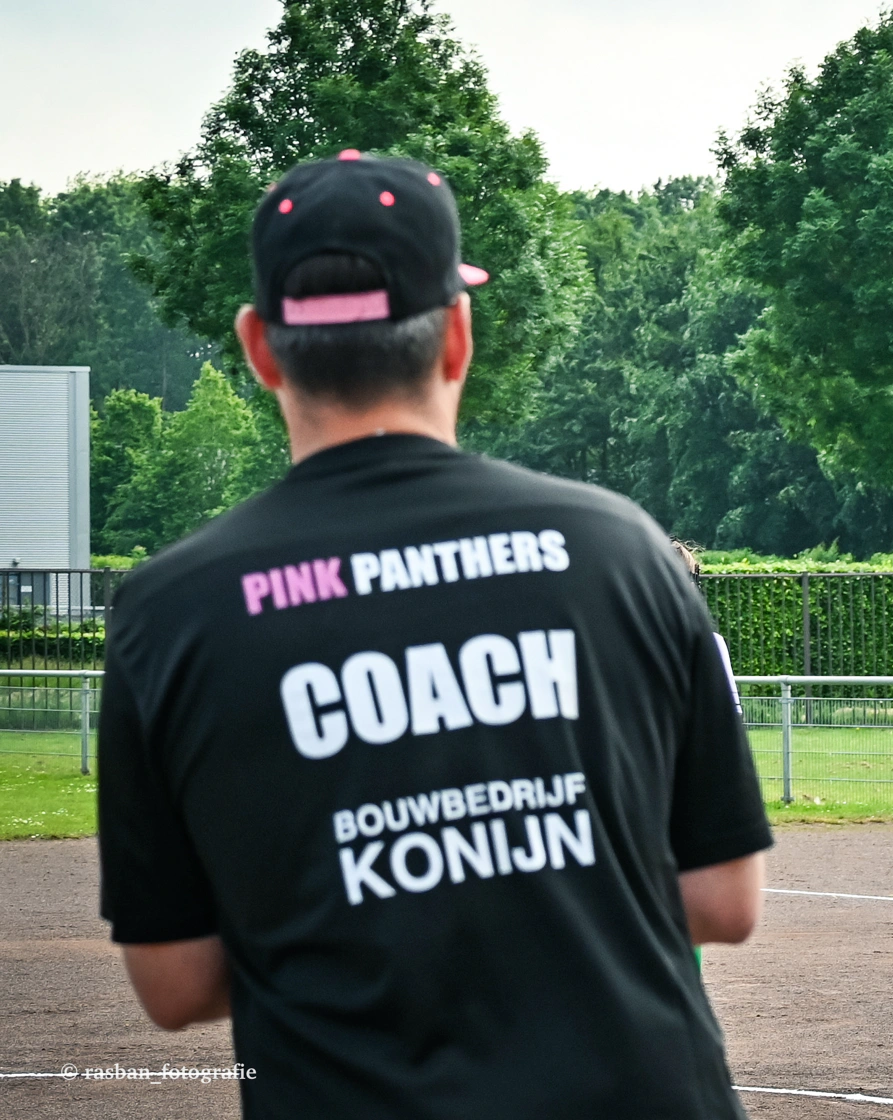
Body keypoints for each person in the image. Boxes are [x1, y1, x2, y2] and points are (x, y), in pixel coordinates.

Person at [96, 152, 772, 1120]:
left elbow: (173, 982)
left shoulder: (171, 608)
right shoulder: (616, 547)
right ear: (457, 333)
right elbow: (722, 901)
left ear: (259, 347)